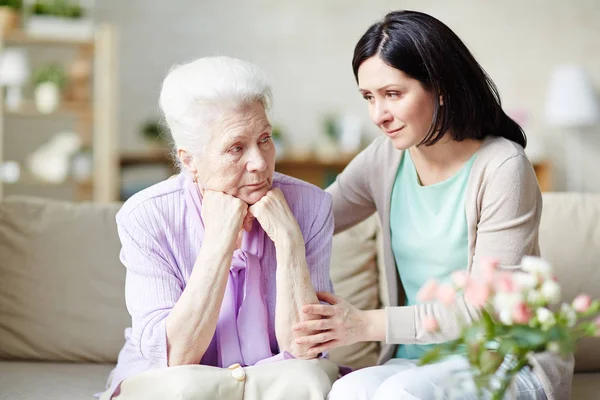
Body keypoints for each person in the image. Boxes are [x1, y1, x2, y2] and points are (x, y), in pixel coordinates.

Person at [292, 10, 573, 400]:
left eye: (393, 94)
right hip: (417, 362)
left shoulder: (503, 166)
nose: (378, 115)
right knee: (347, 391)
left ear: (440, 86)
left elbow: (484, 312)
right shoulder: (384, 159)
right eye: (369, 97)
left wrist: (362, 324)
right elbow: (314, 217)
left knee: (400, 395)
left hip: (501, 362)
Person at [99, 56, 338, 400]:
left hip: (276, 383)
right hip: (177, 383)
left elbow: (305, 352)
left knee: (307, 380)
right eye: (236, 148)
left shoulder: (310, 205)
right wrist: (219, 242)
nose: (259, 163)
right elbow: (176, 358)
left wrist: (289, 244)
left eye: (265, 139)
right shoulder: (146, 216)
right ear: (189, 160)